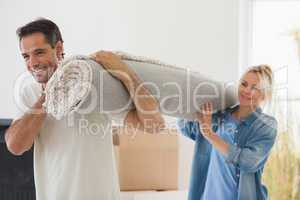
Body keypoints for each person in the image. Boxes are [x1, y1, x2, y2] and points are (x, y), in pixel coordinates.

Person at [5, 18, 165, 200]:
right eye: (26, 56)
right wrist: (50, 94)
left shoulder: (93, 85)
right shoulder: (29, 93)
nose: (32, 63)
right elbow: (15, 146)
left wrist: (125, 72)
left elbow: (154, 125)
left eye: (39, 52)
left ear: (58, 49)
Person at [177, 65, 278, 200]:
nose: (247, 90)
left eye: (254, 88)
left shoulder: (266, 125)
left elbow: (248, 162)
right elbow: (186, 127)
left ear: (265, 94)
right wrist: (190, 99)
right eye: (244, 84)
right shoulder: (219, 115)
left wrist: (211, 135)